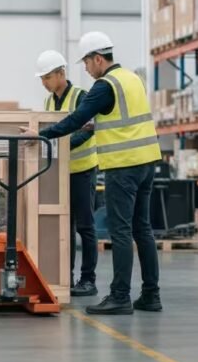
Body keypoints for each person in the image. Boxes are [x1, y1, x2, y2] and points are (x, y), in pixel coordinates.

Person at [23, 32, 163, 315]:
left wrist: (40, 135)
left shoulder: (104, 85)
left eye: (86, 62)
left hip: (122, 165)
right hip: (147, 162)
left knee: (121, 232)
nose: (85, 68)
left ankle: (120, 296)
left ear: (98, 58)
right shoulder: (132, 78)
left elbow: (77, 119)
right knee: (142, 230)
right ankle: (150, 295)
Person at [35, 50, 99, 297]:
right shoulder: (48, 102)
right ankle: (67, 278)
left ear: (61, 73)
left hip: (82, 171)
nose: (44, 83)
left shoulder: (81, 97)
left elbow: (87, 131)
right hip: (59, 172)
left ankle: (88, 280)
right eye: (41, 78)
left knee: (86, 227)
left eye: (47, 77)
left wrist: (59, 145)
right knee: (65, 227)